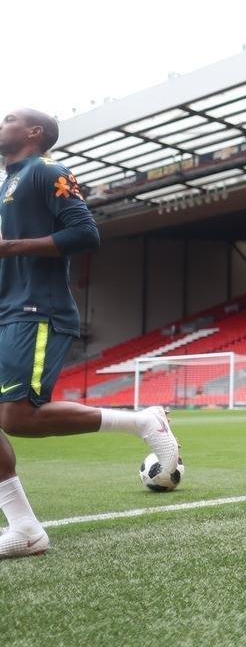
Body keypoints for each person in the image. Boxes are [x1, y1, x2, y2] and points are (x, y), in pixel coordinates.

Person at [0, 109, 180, 560]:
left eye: (9, 118)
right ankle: (24, 528)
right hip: (7, 312)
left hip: (35, 310)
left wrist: (9, 248)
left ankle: (143, 422)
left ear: (34, 132)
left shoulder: (47, 172)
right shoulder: (6, 185)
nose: (1, 124)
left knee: (17, 417)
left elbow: (85, 233)